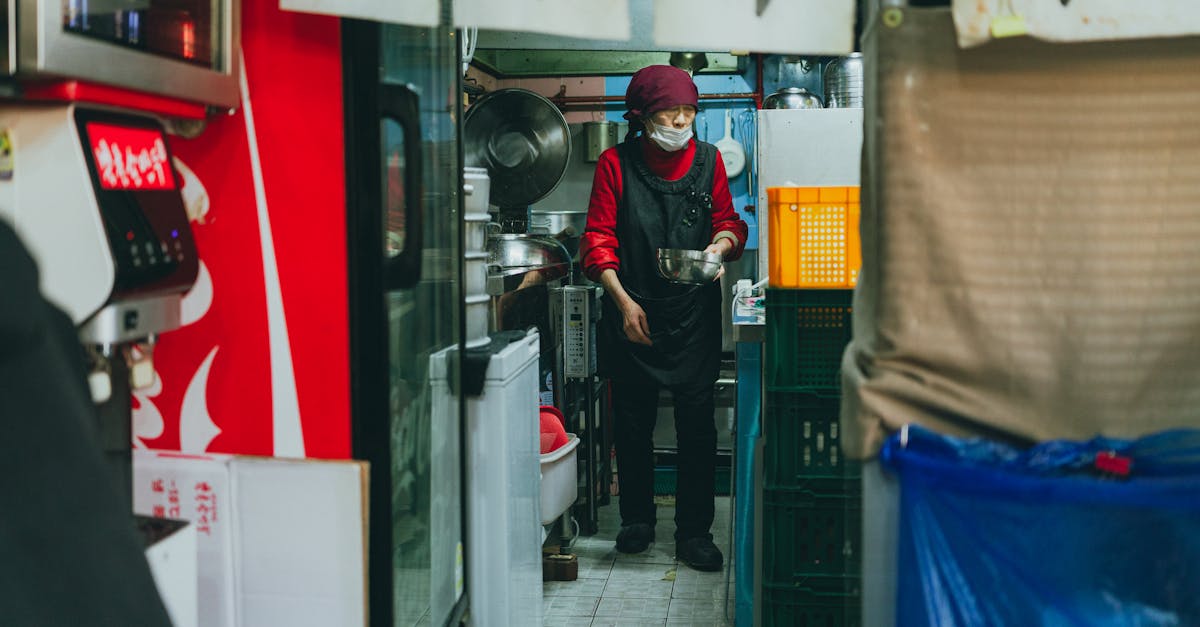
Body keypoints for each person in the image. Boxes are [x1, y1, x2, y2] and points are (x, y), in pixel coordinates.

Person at [580, 65, 748, 572]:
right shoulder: (615, 163)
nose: (680, 121)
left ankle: (694, 532)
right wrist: (622, 303)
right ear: (642, 115)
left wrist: (720, 247)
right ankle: (637, 520)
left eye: (688, 111)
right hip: (632, 309)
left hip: (692, 315)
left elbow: (728, 223)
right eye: (669, 112)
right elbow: (598, 239)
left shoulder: (710, 159)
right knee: (633, 424)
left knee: (698, 428)